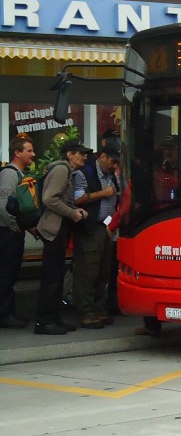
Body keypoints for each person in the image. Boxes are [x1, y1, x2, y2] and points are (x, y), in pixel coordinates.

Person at [33, 140, 90, 335]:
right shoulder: (62, 170)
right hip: (53, 230)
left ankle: (54, 318)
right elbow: (49, 198)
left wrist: (75, 209)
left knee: (56, 276)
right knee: (52, 277)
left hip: (58, 229)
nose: (85, 157)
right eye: (81, 153)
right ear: (69, 155)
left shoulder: (67, 171)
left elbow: (60, 199)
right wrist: (72, 213)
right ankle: (44, 321)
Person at [71, 138, 123, 329]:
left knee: (103, 272)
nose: (114, 165)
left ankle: (99, 310)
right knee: (88, 272)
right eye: (112, 161)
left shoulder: (112, 175)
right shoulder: (84, 173)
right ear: (103, 157)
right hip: (90, 228)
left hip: (107, 228)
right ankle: (86, 312)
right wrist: (103, 193)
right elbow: (77, 199)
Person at [0, 136, 36, 329]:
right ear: (17, 153)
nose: (33, 154)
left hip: (12, 231)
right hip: (7, 233)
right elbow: (4, 205)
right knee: (6, 273)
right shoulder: (10, 174)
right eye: (29, 150)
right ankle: (5, 314)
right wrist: (14, 226)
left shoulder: (19, 173)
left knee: (10, 273)